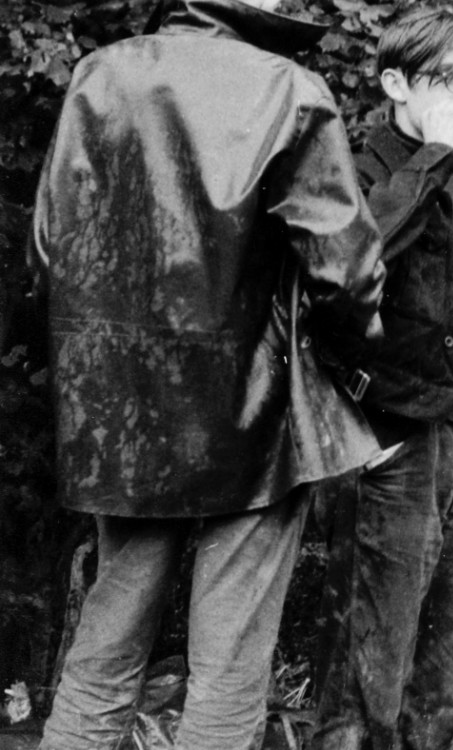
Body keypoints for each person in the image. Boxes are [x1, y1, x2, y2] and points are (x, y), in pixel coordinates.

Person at [30, 0, 387, 747]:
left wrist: (103, 373)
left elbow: (50, 250)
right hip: (256, 416)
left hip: (123, 419)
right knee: (228, 669)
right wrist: (347, 358)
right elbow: (347, 274)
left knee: (104, 653)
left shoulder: (98, 76)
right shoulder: (288, 89)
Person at [311, 7, 453, 750]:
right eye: (450, 80)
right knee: (367, 671)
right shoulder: (356, 171)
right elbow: (347, 272)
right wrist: (430, 157)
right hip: (390, 441)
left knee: (437, 677)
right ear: (396, 83)